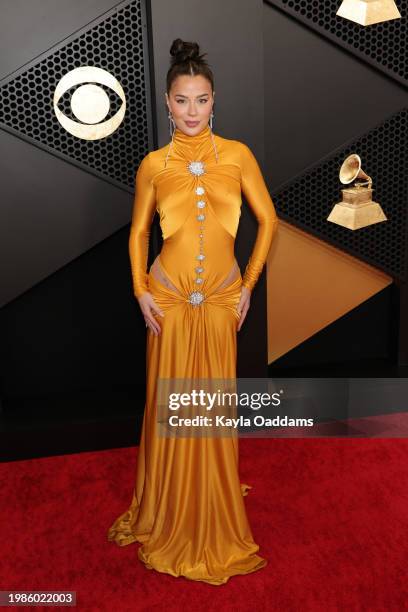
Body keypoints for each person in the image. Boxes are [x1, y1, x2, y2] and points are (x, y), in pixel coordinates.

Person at [107, 37, 279, 585]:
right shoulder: (153, 165)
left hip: (223, 301)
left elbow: (268, 221)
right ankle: (168, 505)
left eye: (201, 100)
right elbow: (137, 233)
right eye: (182, 101)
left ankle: (211, 494)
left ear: (214, 100)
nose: (191, 111)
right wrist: (140, 291)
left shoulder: (239, 155)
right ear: (166, 101)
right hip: (171, 303)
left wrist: (249, 284)